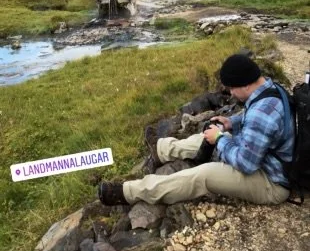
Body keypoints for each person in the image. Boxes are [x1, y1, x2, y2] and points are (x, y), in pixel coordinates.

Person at [98, 54, 295, 207]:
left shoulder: (261, 113)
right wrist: (230, 123)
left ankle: (128, 192)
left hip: (271, 183)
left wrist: (219, 139)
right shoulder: (270, 89)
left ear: (244, 83)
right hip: (266, 160)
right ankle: (161, 149)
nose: (231, 94)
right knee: (209, 136)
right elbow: (258, 122)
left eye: (232, 89)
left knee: (203, 175)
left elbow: (245, 164)